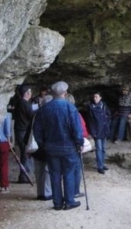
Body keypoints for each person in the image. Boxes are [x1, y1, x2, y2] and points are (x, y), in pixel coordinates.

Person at [33, 81, 84, 211]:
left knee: (54, 174)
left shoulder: (44, 108)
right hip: (69, 146)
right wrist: (80, 143)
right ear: (64, 93)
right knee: (69, 173)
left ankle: (57, 203)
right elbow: (77, 130)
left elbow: (37, 130)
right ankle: (69, 201)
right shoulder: (70, 108)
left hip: (50, 147)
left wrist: (42, 144)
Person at [29, 94, 53, 201]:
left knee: (38, 170)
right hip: (46, 145)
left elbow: (30, 129)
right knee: (48, 170)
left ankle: (40, 193)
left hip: (37, 146)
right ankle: (47, 193)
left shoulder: (36, 114)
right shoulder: (50, 114)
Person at [67, 93, 89, 198]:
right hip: (74, 146)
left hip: (60, 144)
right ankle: (74, 191)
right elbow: (82, 131)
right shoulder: (75, 113)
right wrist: (81, 142)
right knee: (76, 169)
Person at [13, 84, 34, 183]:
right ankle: (24, 176)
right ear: (27, 93)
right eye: (30, 91)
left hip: (19, 130)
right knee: (25, 153)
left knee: (24, 152)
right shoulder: (25, 104)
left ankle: (24, 174)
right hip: (23, 131)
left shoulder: (19, 102)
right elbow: (32, 116)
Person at [88, 92, 111, 174]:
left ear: (100, 98)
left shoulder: (104, 106)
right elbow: (90, 121)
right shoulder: (91, 107)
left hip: (104, 129)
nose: (95, 98)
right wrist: (92, 131)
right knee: (99, 149)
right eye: (94, 97)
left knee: (103, 149)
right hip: (97, 131)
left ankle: (102, 164)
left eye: (97, 97)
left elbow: (109, 115)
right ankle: (100, 166)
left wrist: (107, 124)